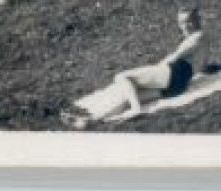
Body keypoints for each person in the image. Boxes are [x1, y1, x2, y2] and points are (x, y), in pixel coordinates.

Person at [63, 8, 204, 128]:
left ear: (198, 20)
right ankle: (91, 121)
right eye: (182, 22)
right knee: (129, 97)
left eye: (189, 21)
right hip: (177, 87)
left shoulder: (197, 36)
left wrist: (156, 68)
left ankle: (136, 109)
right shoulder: (196, 37)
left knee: (122, 77)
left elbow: (176, 56)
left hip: (174, 73)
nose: (185, 26)